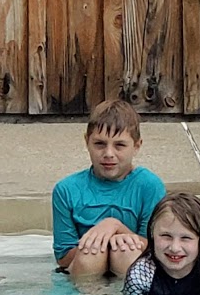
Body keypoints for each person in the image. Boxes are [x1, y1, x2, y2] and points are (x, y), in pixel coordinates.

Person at [52, 99, 166, 278]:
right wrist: (100, 247)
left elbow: (158, 248)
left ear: (136, 146)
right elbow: (63, 257)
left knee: (125, 251)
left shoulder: (149, 186)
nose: (108, 154)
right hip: (83, 271)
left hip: (131, 266)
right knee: (92, 255)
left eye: (120, 145)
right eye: (99, 144)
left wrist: (116, 227)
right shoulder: (66, 190)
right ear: (86, 141)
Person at [122, 193, 200, 295]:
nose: (174, 248)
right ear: (152, 234)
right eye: (166, 236)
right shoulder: (141, 273)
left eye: (186, 238)